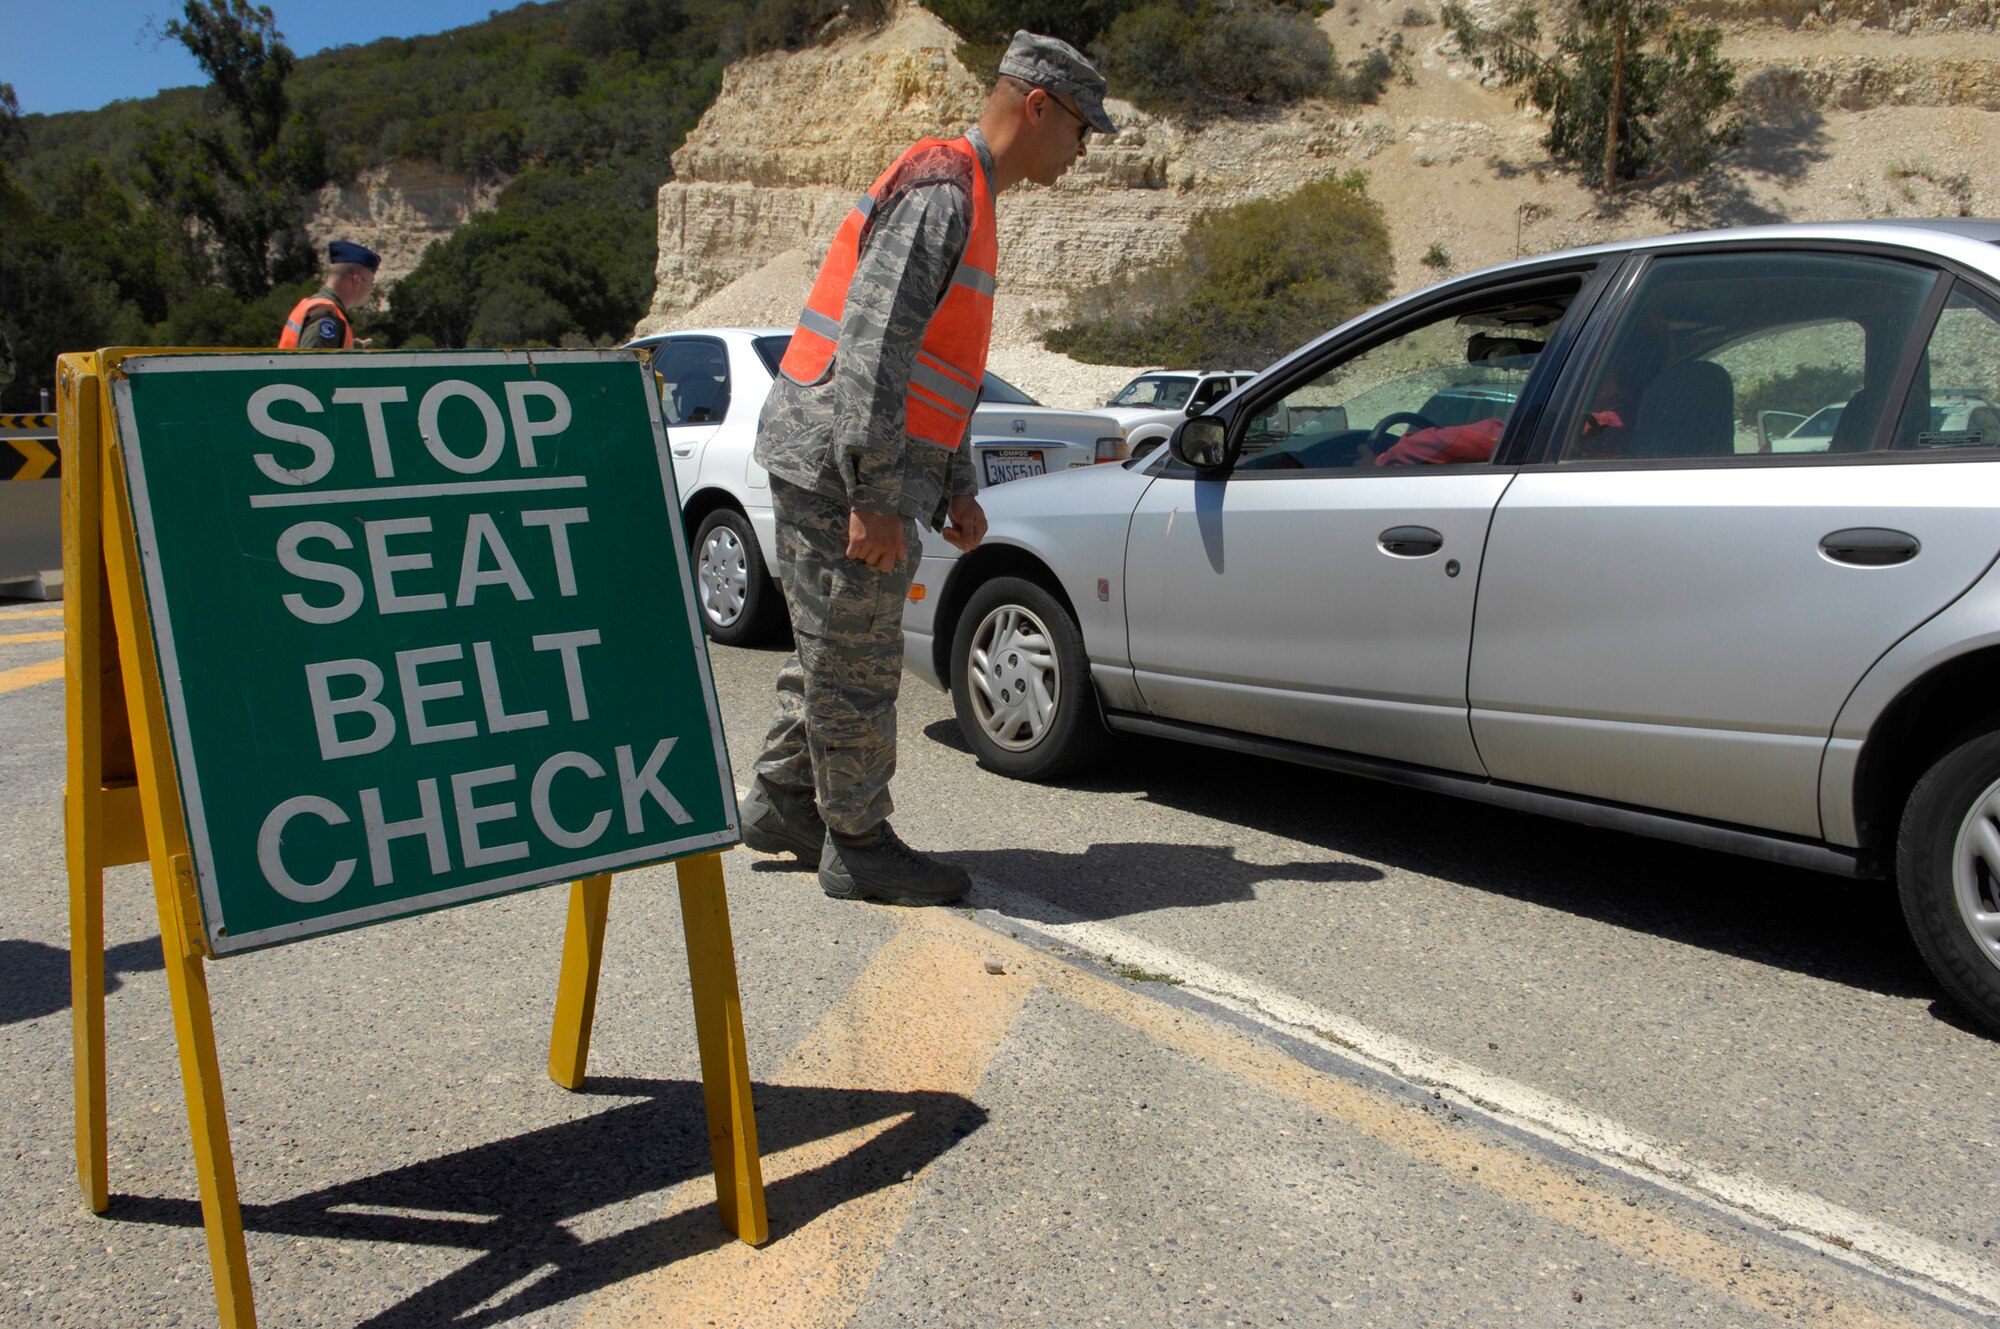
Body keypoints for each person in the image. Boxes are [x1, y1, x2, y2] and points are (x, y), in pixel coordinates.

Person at [739, 30, 1115, 907]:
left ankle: (789, 802)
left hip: (850, 465)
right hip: (840, 472)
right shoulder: (947, 190)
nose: (1082, 148)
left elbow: (936, 367)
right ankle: (859, 843)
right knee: (859, 661)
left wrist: (951, 485)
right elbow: (872, 350)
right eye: (1081, 128)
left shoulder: (968, 193)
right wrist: (873, 495)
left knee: (834, 646)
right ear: (1038, 106)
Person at [280, 239, 379, 349]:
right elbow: (312, 363)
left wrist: (352, 346)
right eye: (371, 282)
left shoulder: (314, 304)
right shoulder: (326, 317)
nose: (371, 289)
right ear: (357, 281)